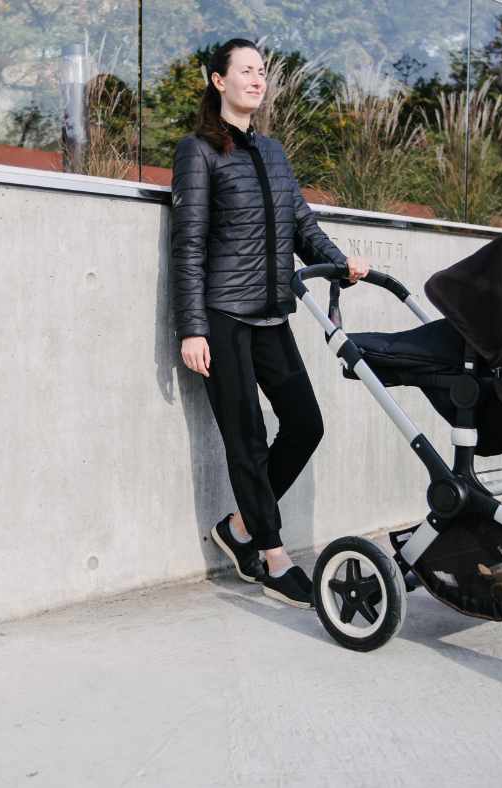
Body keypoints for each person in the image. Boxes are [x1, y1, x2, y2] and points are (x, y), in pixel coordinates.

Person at [170, 39, 369, 608]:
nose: (258, 79)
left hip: (270, 314)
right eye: (246, 71)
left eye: (262, 71)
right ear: (218, 81)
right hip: (221, 317)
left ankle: (238, 529)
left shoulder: (272, 151)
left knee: (305, 423)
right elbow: (187, 246)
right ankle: (271, 555)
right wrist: (192, 327)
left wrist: (337, 261)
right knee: (247, 439)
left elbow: (300, 223)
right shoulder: (198, 150)